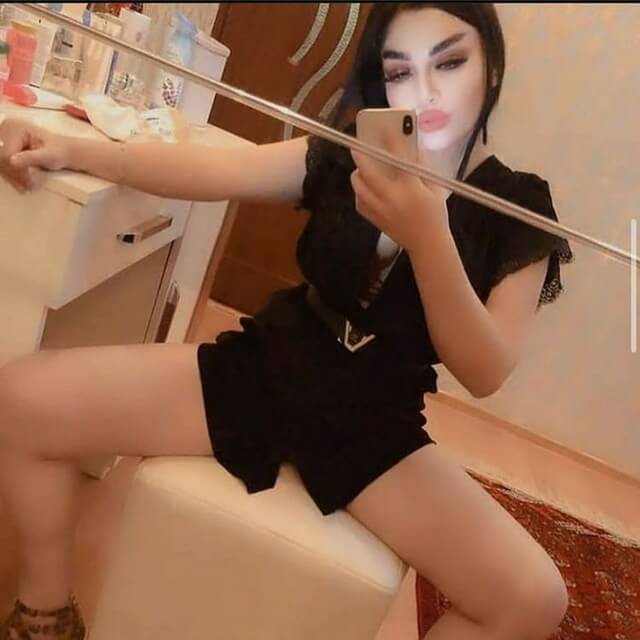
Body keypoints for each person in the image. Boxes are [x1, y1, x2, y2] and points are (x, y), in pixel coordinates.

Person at [0, 3, 574, 639]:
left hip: (376, 423)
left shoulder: (518, 205)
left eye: (450, 62)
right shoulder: (353, 152)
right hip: (269, 367)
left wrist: (428, 235)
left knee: (533, 597)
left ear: (491, 68)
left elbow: (486, 369)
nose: (427, 89)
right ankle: (45, 617)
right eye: (400, 69)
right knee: (19, 398)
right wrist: (73, 149)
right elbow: (215, 171)